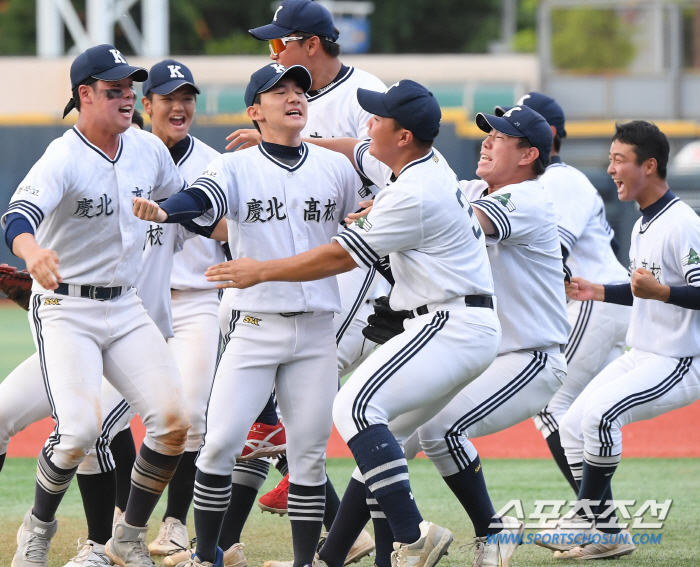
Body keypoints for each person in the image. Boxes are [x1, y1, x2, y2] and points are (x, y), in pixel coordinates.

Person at [203, 79, 501, 567]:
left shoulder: (414, 193)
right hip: (461, 322)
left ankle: (412, 535)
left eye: (378, 117)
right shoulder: (421, 163)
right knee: (379, 450)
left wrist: (259, 270)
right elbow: (353, 149)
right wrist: (271, 141)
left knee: (356, 407)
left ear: (403, 135)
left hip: (450, 322)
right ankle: (355, 558)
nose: (368, 123)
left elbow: (337, 257)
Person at [131, 62, 367, 567]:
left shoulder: (337, 169)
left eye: (300, 89)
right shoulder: (235, 167)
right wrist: (166, 209)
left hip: (317, 331)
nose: (294, 97)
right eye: (278, 91)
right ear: (255, 111)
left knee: (307, 458)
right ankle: (205, 555)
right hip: (255, 327)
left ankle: (306, 563)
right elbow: (203, 198)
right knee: (218, 445)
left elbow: (368, 213)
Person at [1, 44, 191, 567]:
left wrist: (188, 212)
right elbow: (16, 216)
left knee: (176, 422)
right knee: (81, 431)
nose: (127, 97)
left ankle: (126, 536)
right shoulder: (63, 155)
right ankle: (37, 529)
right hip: (66, 307)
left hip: (125, 305)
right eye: (114, 89)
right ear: (84, 95)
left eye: (130, 87)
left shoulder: (147, 150)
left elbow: (183, 202)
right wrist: (33, 251)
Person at [538, 121, 700, 560]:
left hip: (679, 360)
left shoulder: (682, 223)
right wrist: (600, 291)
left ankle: (582, 517)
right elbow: (646, 290)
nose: (610, 168)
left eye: (619, 159)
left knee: (602, 417)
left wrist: (662, 291)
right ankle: (607, 534)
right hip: (643, 351)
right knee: (570, 424)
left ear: (650, 166)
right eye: (610, 159)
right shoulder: (644, 223)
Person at [494, 94, 631, 494]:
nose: (502, 134)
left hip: (594, 302)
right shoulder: (542, 184)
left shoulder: (561, 179)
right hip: (597, 306)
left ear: (546, 135)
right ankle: (600, 518)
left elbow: (555, 256)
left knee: (549, 404)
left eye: (512, 128)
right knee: (583, 416)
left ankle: (596, 519)